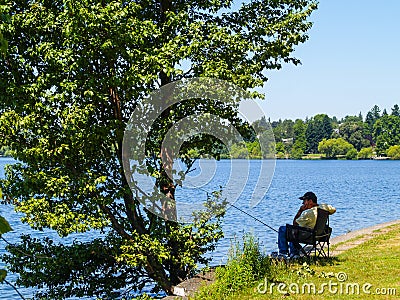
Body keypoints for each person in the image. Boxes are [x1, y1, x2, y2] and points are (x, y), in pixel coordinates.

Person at [273, 191, 336, 259]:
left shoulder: (309, 213)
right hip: (320, 234)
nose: (303, 203)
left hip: (309, 236)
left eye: (304, 201)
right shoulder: (324, 207)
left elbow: (295, 224)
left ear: (310, 201)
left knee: (283, 229)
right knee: (293, 232)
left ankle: (283, 253)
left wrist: (300, 211)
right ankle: (294, 253)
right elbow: (333, 210)